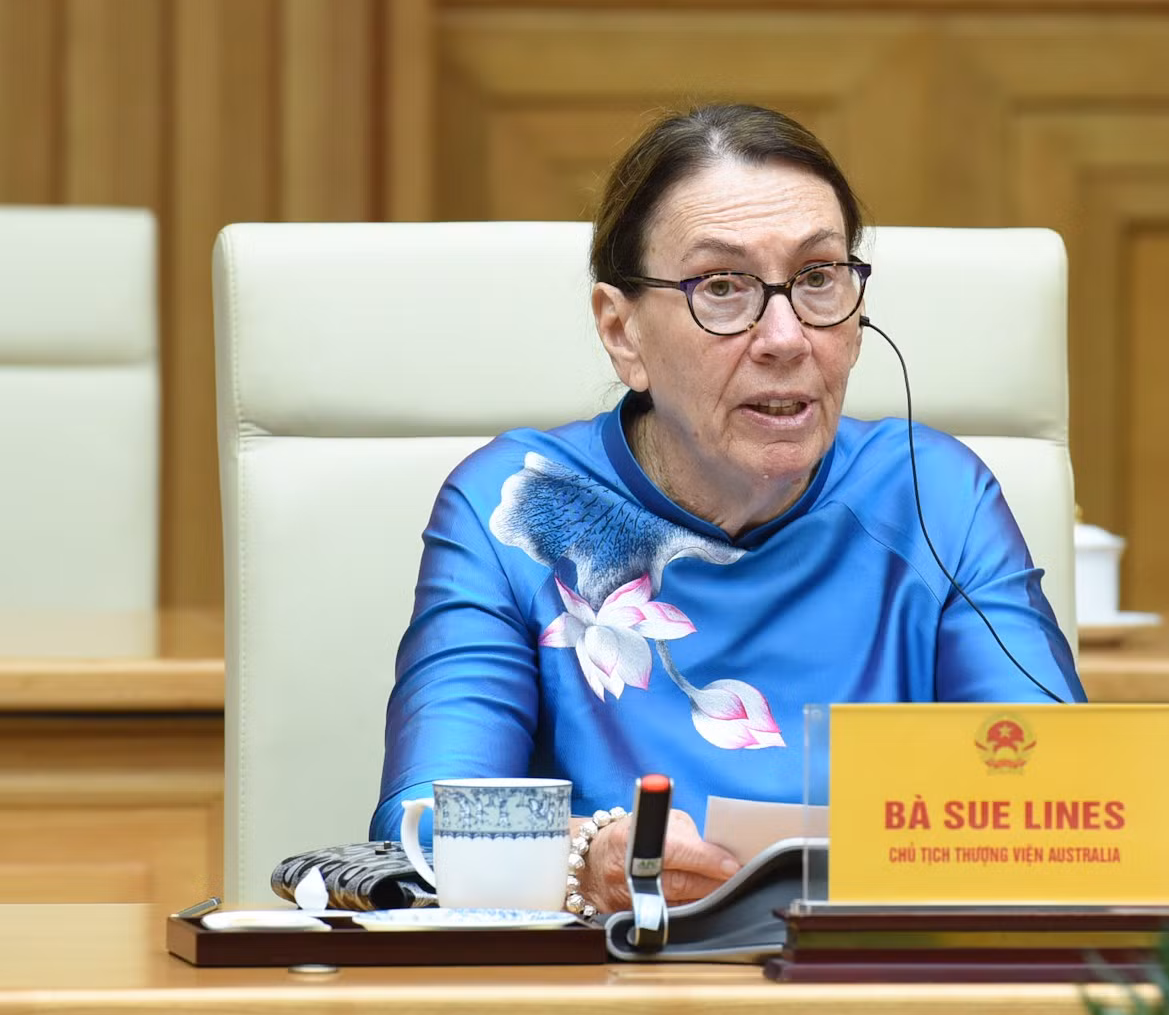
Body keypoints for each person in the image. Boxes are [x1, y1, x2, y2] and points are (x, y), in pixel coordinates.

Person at [371, 103, 1085, 918]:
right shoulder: (516, 509)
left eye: (819, 278)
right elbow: (418, 834)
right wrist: (584, 865)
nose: (785, 336)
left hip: (880, 998)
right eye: (722, 287)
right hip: (611, 1006)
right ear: (622, 331)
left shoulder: (934, 494)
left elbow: (1062, 808)